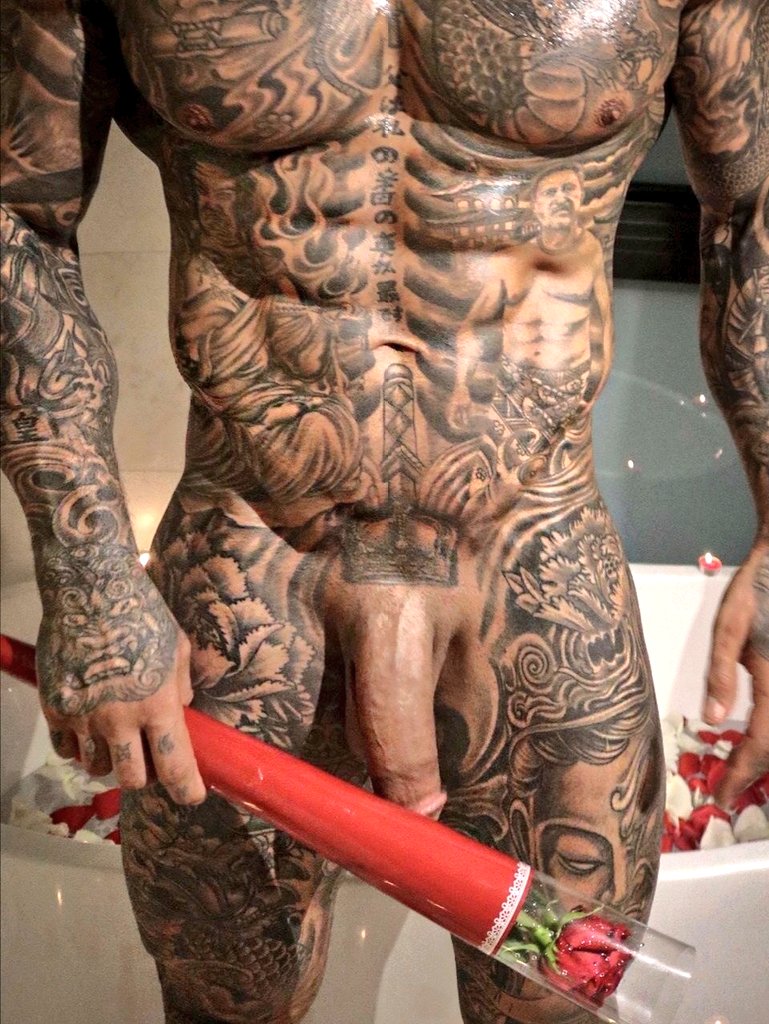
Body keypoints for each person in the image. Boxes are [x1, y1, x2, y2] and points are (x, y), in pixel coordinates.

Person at [1, 2, 766, 1022]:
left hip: (532, 558)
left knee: (553, 1000)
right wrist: (88, 572)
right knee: (232, 1001)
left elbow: (752, 217)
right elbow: (18, 214)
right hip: (253, 557)